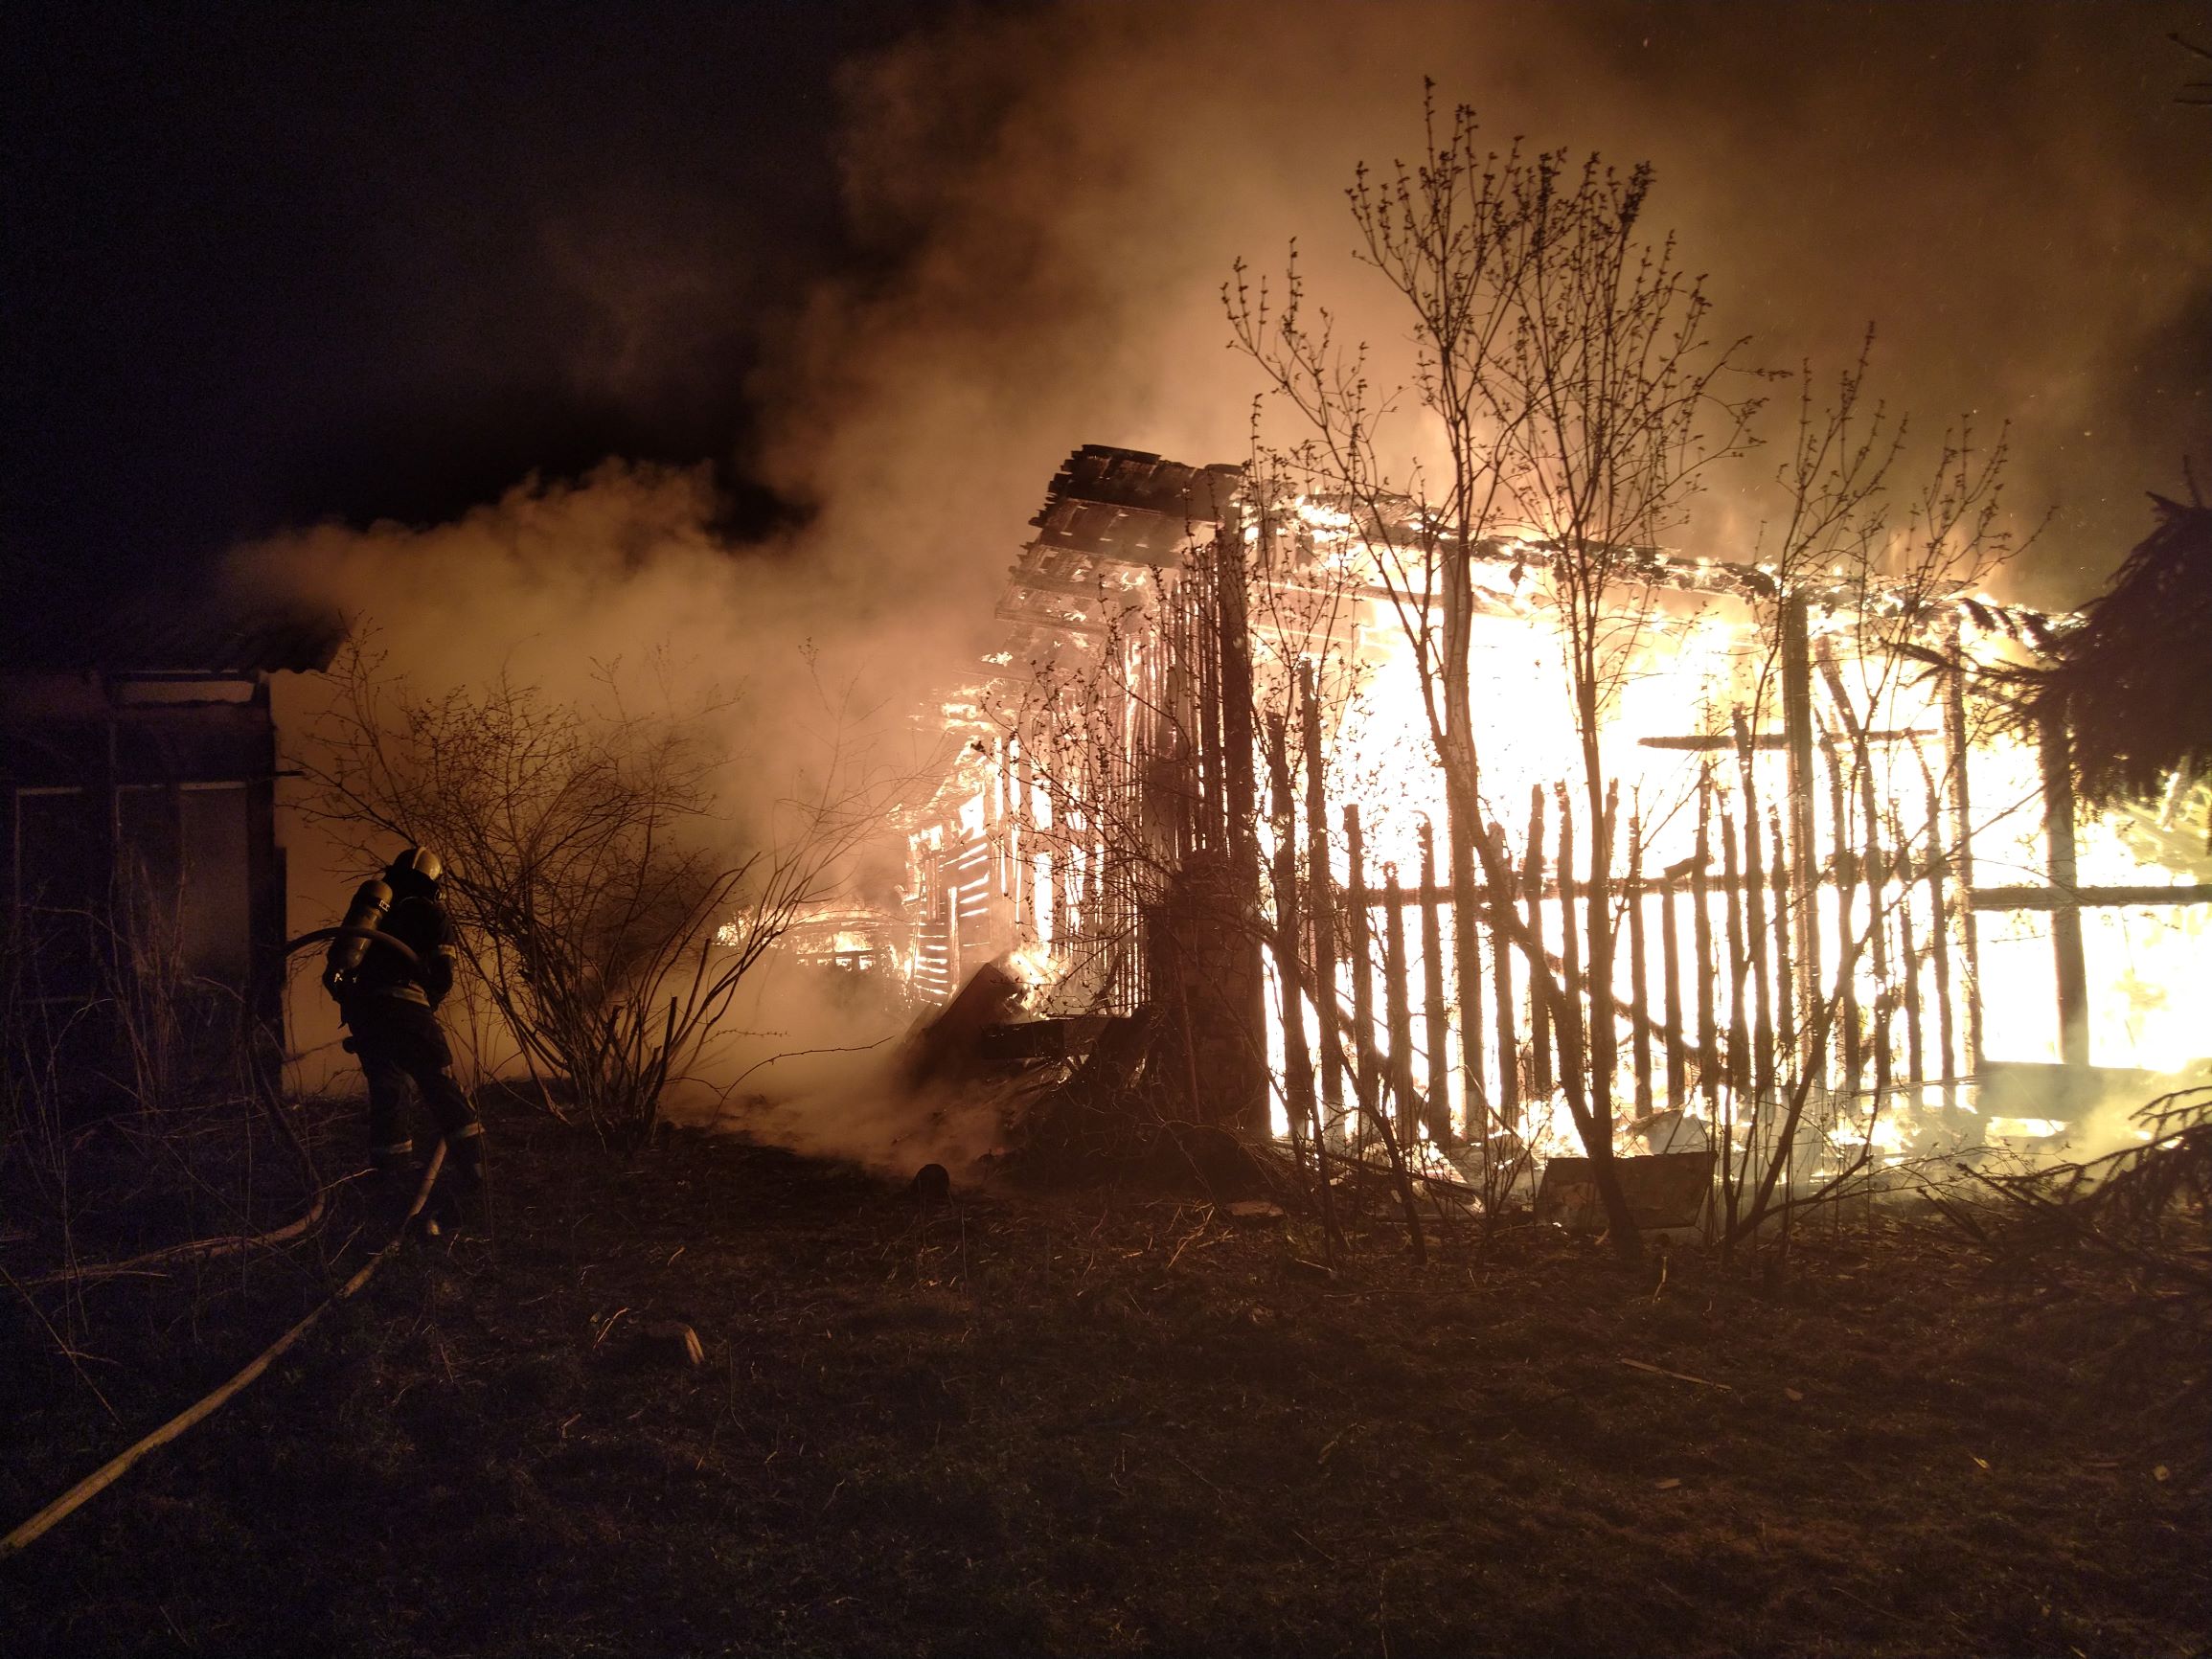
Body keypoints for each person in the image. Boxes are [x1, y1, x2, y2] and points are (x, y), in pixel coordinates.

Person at [324, 846, 487, 1193]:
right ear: (433, 882)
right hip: (408, 1010)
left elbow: (336, 972)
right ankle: (476, 1175)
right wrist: (425, 1005)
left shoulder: (376, 912)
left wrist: (356, 1003)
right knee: (441, 1085)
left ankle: (390, 1181)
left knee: (389, 1093)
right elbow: (442, 978)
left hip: (366, 1016)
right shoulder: (431, 914)